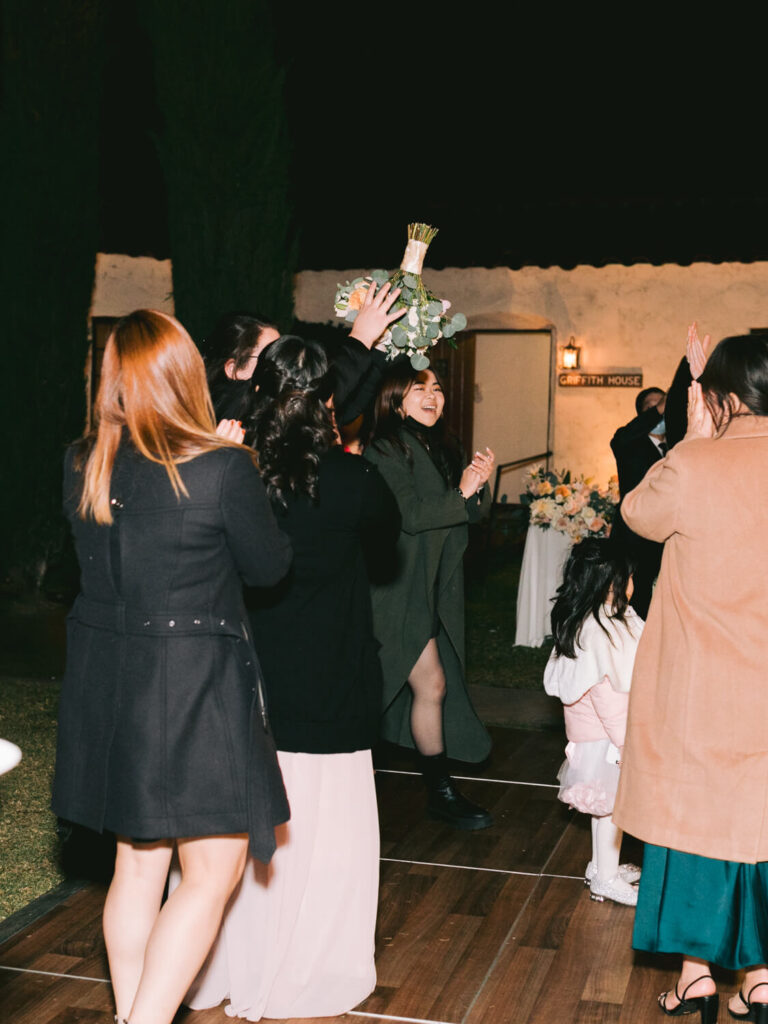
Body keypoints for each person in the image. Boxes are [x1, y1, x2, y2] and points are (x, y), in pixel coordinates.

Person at [52, 309, 292, 1024]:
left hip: (108, 681)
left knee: (138, 866)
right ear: (186, 373)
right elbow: (269, 566)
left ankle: (134, 1013)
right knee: (210, 876)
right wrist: (234, 466)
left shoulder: (81, 461)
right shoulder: (221, 467)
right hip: (192, 685)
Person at [180, 335, 400, 1020]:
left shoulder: (231, 472)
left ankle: (231, 957)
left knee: (244, 833)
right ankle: (312, 962)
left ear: (260, 395)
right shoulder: (355, 480)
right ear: (330, 403)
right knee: (328, 826)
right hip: (331, 670)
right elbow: (387, 548)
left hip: (249, 675)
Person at [613, 333, 768, 1024]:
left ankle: (696, 975)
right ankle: (761, 978)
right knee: (759, 826)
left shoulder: (696, 464)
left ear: (723, 400)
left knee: (692, 824)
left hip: (700, 685)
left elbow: (636, 515)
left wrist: (691, 438)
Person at [364, 360, 495, 829]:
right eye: (419, 387)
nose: (432, 396)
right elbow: (413, 514)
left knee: (427, 684)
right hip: (396, 589)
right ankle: (429, 789)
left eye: (437, 387)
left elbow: (463, 515)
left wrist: (476, 486)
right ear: (394, 396)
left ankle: (437, 790)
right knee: (392, 685)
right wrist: (461, 492)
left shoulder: (437, 445)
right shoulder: (384, 448)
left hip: (427, 586)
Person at [544, 538, 643, 906]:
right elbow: (609, 697)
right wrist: (625, 743)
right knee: (613, 808)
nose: (633, 582)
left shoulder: (598, 619)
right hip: (607, 740)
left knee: (607, 806)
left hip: (600, 738)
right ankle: (605, 878)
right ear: (611, 583)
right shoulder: (600, 632)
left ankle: (604, 866)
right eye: (630, 576)